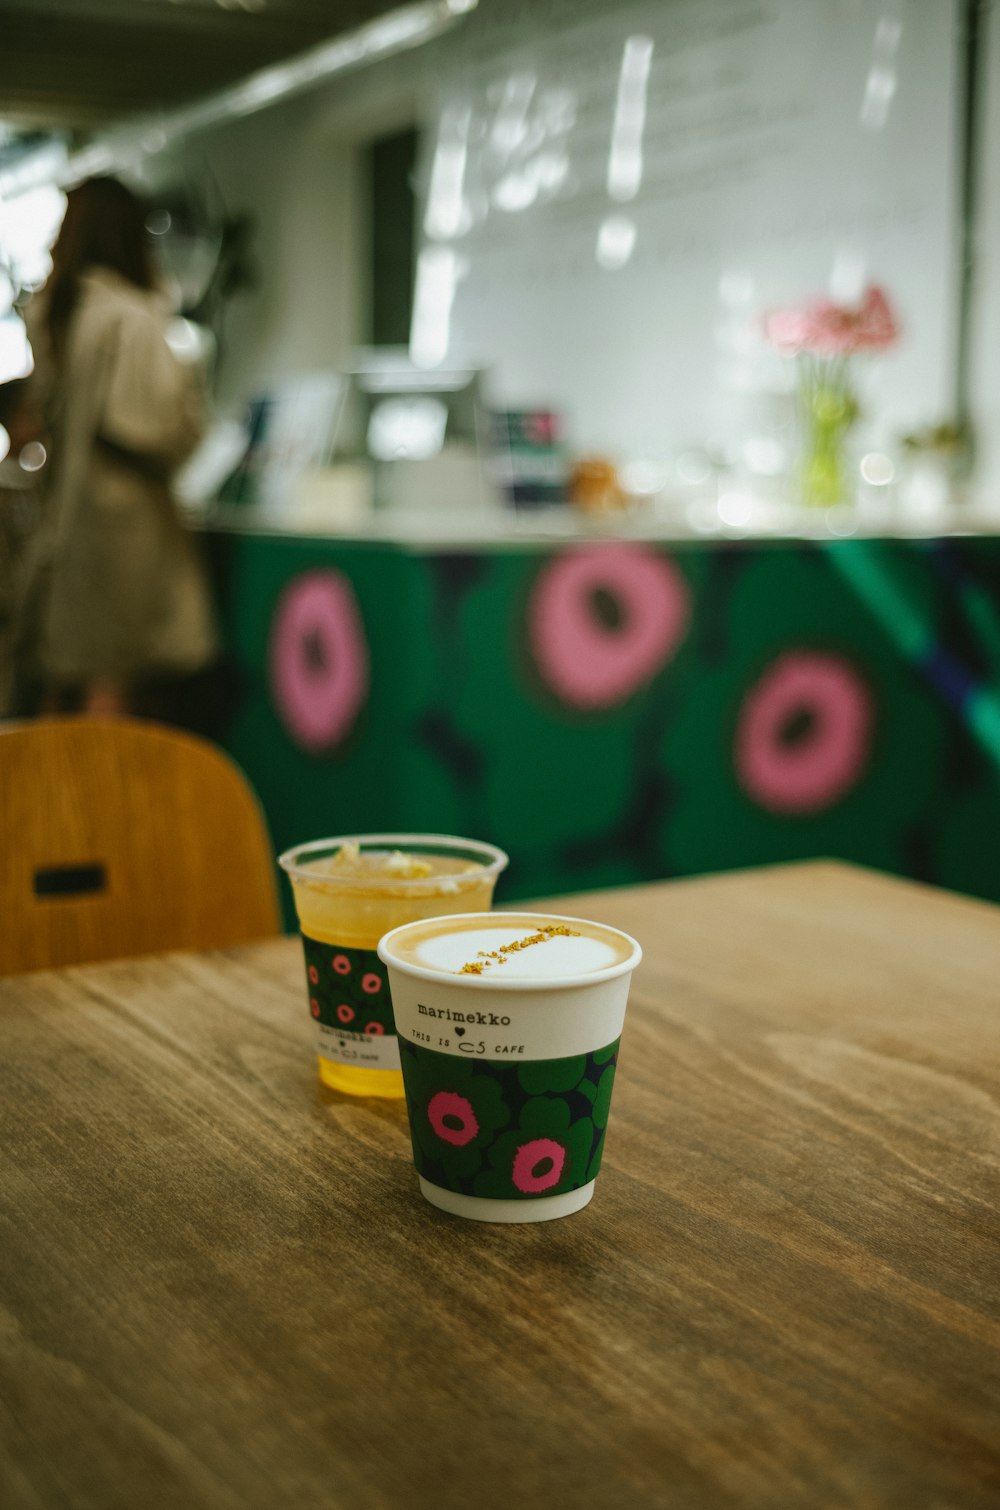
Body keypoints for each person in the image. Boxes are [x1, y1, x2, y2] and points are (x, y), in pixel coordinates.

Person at [23, 175, 218, 716]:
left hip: (73, 517)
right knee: (111, 687)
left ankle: (39, 797)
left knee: (69, 675)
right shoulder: (127, 316)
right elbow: (152, 426)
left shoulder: (64, 312)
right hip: (121, 529)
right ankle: (96, 802)